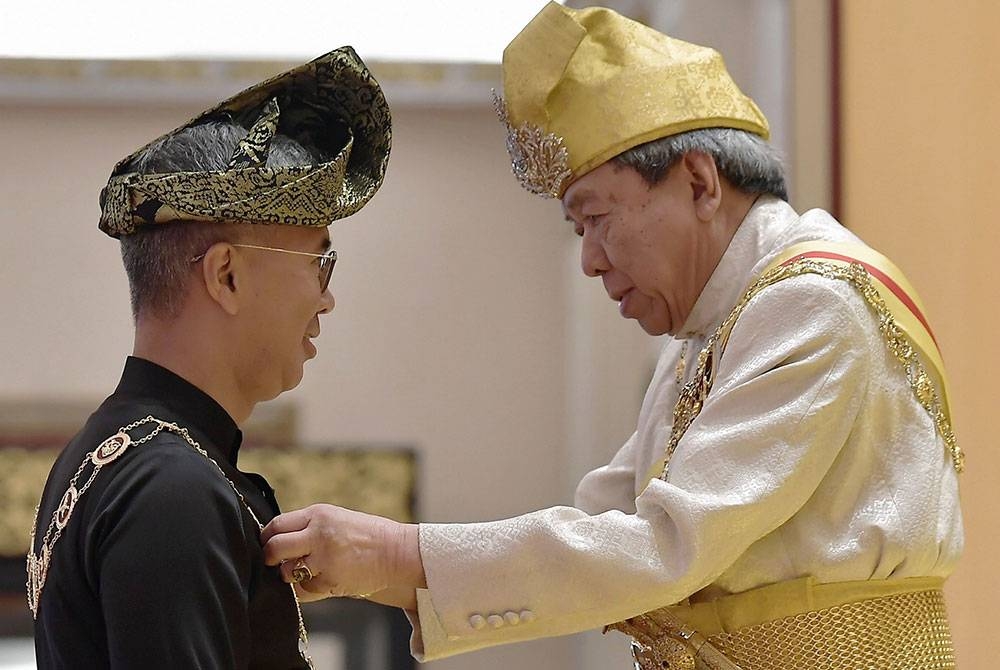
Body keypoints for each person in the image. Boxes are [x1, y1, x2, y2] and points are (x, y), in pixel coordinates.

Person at [261, 4, 964, 668]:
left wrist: (396, 554)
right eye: (578, 230)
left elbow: (663, 543)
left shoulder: (813, 302)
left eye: (594, 217)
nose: (592, 258)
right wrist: (382, 567)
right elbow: (605, 520)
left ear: (698, 181)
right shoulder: (712, 324)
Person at [27, 47, 391, 668]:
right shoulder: (173, 489)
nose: (326, 298)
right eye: (318, 261)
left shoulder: (118, 453)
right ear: (226, 276)